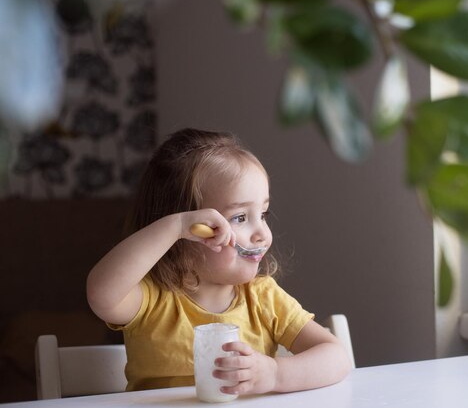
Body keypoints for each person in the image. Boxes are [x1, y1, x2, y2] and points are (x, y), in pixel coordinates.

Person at [86, 128, 351, 395]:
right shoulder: (153, 298)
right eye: (240, 218)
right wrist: (174, 227)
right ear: (192, 232)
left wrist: (274, 374)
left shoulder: (263, 298)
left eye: (263, 213)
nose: (262, 234)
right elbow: (101, 295)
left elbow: (336, 356)